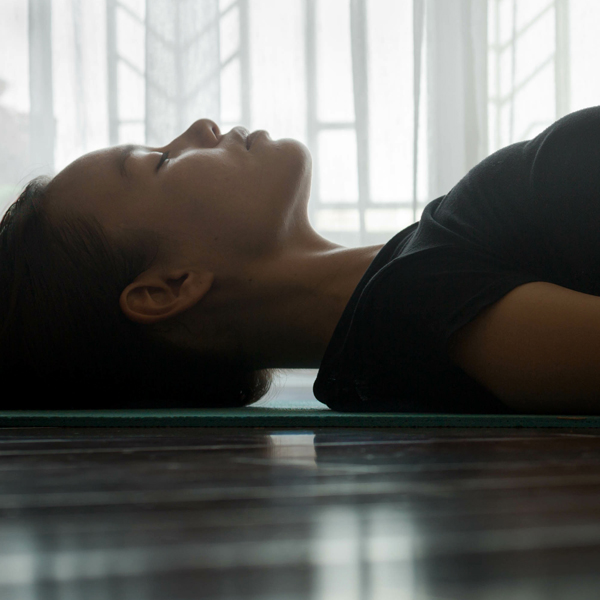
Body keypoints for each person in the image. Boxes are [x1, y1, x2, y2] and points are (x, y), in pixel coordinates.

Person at [2, 108, 600, 413]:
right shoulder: (416, 307)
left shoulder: (419, 276)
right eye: (158, 161)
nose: (199, 127)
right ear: (167, 288)